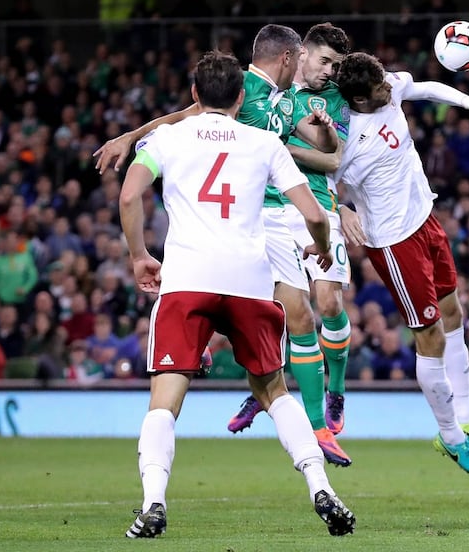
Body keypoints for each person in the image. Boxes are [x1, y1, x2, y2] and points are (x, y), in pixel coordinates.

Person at [118, 51, 354, 538]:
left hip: (188, 281)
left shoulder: (168, 137)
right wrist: (320, 245)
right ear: (241, 96)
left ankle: (153, 503)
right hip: (249, 282)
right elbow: (314, 213)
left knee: (165, 398)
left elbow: (128, 195)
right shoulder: (265, 142)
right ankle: (321, 487)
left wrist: (139, 255)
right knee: (273, 391)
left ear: (194, 94)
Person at [335, 52, 469, 476]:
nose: (389, 87)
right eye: (380, 88)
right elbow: (319, 179)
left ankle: (468, 418)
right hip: (394, 242)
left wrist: (468, 102)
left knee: (453, 313)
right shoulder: (344, 137)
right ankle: (450, 436)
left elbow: (423, 87)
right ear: (360, 99)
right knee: (429, 335)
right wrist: (341, 209)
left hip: (425, 219)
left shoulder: (386, 87)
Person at [226, 23, 361, 467]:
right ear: (300, 54)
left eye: (336, 66)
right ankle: (273, 391)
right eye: (325, 62)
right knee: (285, 311)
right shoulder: (266, 91)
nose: (330, 72)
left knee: (329, 301)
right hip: (267, 208)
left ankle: (335, 389)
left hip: (316, 203)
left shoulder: (333, 99)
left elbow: (333, 157)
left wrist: (277, 146)